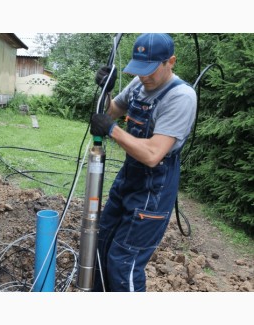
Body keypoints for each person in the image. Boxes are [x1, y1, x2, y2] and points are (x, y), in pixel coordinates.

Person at [90, 33, 197, 292]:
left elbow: (152, 154)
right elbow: (111, 111)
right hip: (129, 177)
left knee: (123, 262)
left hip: (155, 188)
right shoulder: (139, 84)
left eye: (149, 70)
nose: (144, 77)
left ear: (170, 61)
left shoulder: (180, 96)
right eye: (139, 70)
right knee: (101, 245)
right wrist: (107, 89)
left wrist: (112, 130)